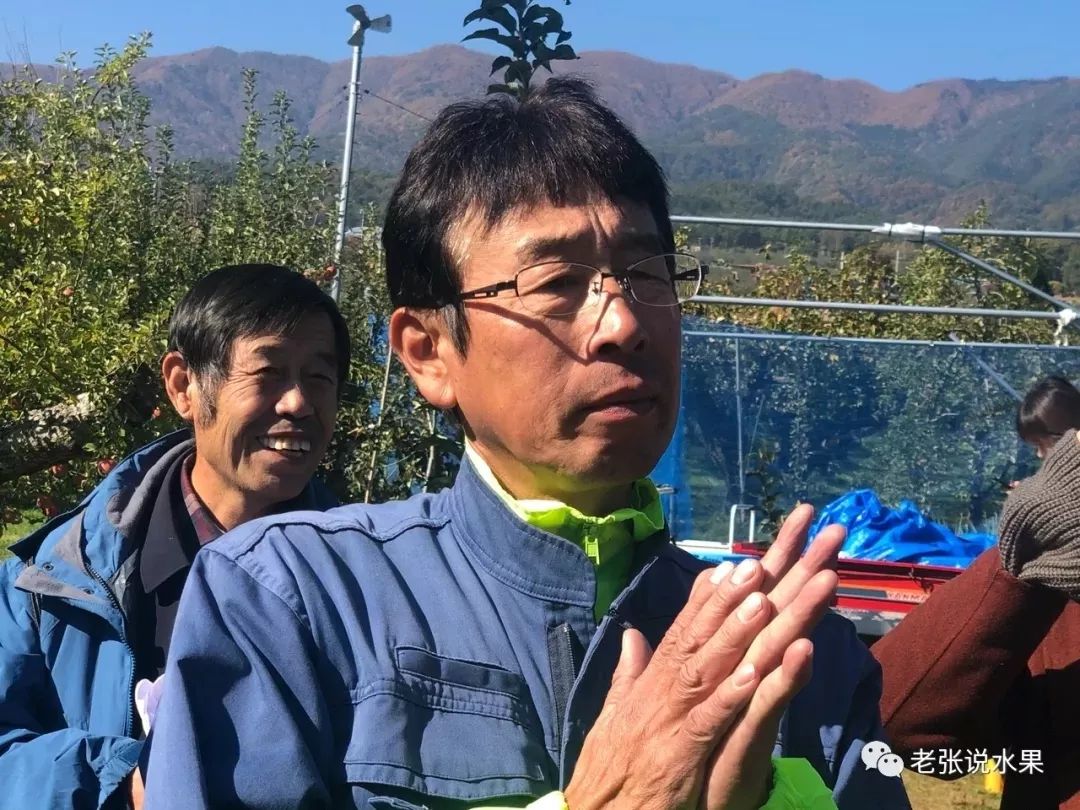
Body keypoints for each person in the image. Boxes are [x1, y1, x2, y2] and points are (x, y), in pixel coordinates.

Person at [144, 80, 907, 810]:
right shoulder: (291, 600)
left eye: (648, 274)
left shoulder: (802, 657)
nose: (622, 323)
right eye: (556, 282)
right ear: (428, 352)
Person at [0, 264, 349, 810]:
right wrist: (128, 784)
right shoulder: (53, 581)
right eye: (268, 372)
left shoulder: (366, 582)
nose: (298, 403)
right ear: (184, 386)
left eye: (319, 378)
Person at [874, 375, 1080, 809]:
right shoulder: (1053, 598)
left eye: (1044, 446)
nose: (1040, 458)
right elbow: (900, 723)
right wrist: (1029, 552)